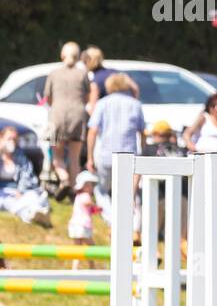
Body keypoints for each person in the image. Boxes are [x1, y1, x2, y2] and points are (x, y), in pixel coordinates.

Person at [42, 41, 93, 199]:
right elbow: (87, 97)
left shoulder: (54, 73)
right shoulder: (82, 74)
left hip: (56, 116)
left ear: (62, 55)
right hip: (77, 116)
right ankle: (73, 190)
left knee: (56, 155)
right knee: (74, 157)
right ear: (78, 57)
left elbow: (47, 98)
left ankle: (63, 180)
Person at [86, 73, 146, 198]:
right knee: (127, 192)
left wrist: (90, 157)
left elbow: (92, 131)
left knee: (102, 190)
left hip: (106, 154)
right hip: (129, 154)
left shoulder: (102, 103)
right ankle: (129, 215)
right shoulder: (135, 104)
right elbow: (142, 132)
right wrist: (142, 151)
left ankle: (109, 215)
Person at [0, 125, 53, 228]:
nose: (12, 142)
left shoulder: (21, 156)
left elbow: (27, 175)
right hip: (2, 193)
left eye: (14, 139)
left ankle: (34, 214)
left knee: (32, 196)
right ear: (1, 138)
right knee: (8, 202)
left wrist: (20, 190)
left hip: (18, 191)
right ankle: (34, 214)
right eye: (9, 139)